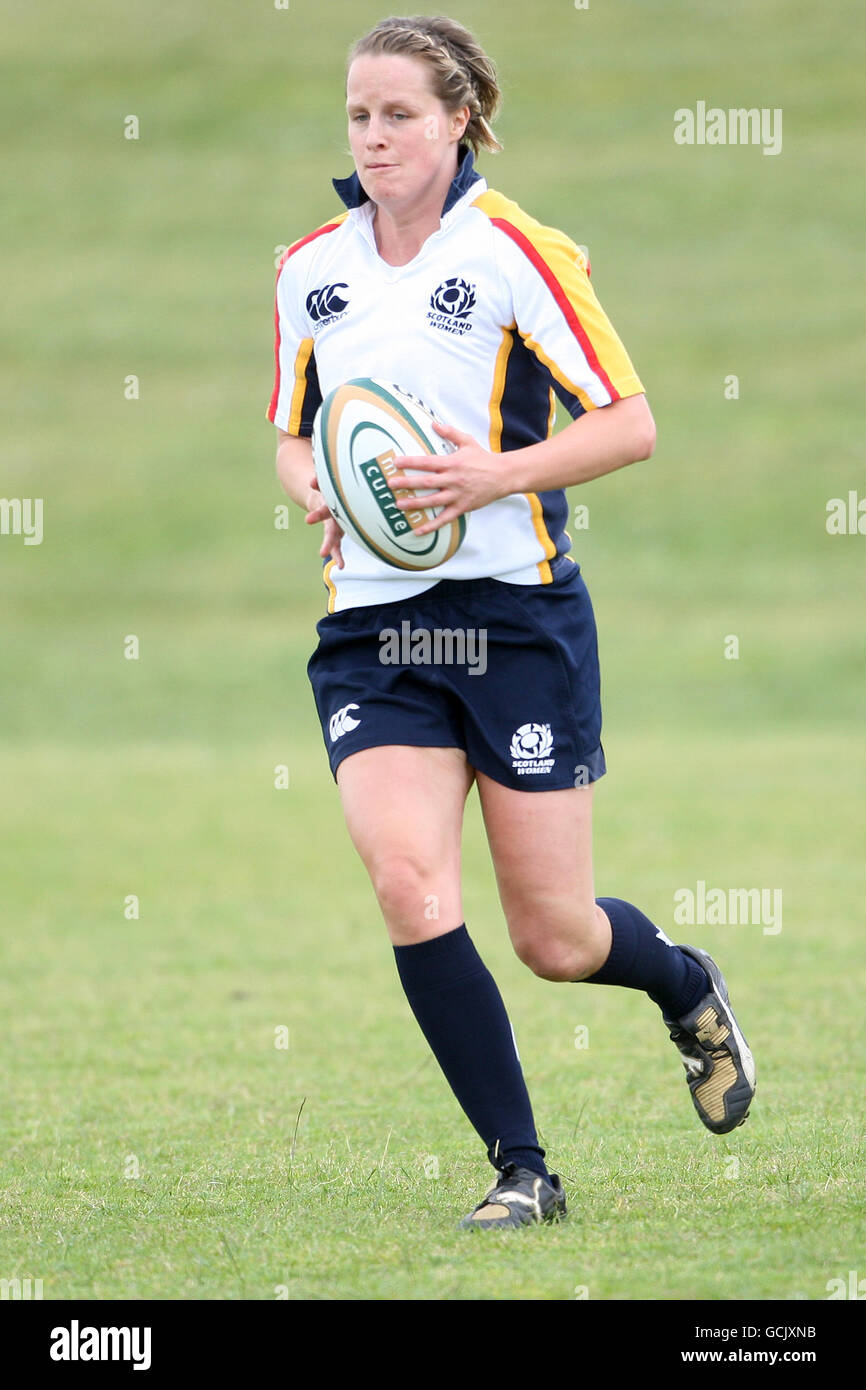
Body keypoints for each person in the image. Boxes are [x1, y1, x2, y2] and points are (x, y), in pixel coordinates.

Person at [268, 13, 755, 1229]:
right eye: (357, 116)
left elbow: (627, 423)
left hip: (512, 620)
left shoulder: (515, 253)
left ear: (458, 121)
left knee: (554, 935)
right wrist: (319, 486)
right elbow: (291, 430)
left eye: (398, 115)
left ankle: (684, 983)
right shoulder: (308, 269)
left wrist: (490, 475)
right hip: (374, 629)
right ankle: (520, 1166)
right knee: (405, 879)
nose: (373, 137)